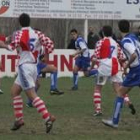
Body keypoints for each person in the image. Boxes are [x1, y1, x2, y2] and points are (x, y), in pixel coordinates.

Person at [0, 13, 55, 133]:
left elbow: (11, 47)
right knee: (14, 92)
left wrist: (3, 45)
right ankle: (19, 119)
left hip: (24, 67)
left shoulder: (19, 34)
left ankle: (47, 118)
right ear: (29, 22)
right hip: (34, 67)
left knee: (31, 95)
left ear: (20, 22)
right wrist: (44, 54)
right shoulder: (38, 33)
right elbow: (50, 45)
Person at [102, 20, 140, 128]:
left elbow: (134, 55)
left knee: (120, 92)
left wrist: (127, 65)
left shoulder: (126, 41)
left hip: (136, 71)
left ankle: (114, 121)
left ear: (119, 29)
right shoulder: (133, 37)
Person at [91, 25, 136, 116]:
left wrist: (92, 66)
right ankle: (128, 102)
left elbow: (94, 57)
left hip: (104, 67)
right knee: (119, 89)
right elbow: (122, 57)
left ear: (103, 32)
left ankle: (98, 110)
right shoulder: (116, 43)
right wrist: (124, 67)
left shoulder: (100, 42)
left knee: (98, 88)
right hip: (115, 66)